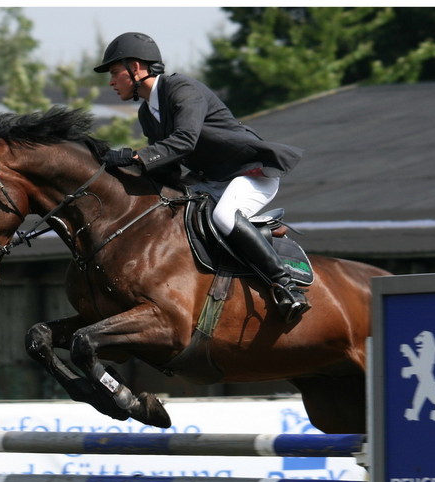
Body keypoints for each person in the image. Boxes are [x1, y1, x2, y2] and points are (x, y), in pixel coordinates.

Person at [94, 32, 310, 324]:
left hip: (250, 172)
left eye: (114, 72)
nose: (111, 81)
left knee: (224, 217)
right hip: (211, 180)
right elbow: (168, 169)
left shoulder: (182, 89)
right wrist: (119, 173)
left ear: (136, 68)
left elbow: (184, 141)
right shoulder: (147, 112)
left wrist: (135, 157)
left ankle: (286, 285)